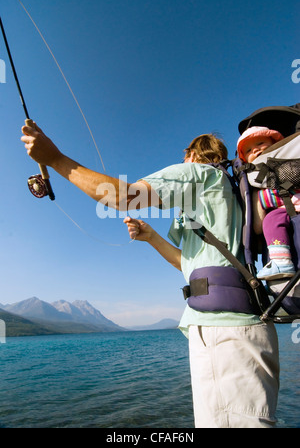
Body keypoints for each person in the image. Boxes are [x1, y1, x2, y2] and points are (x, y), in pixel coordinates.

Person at [21, 124, 280, 428]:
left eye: (185, 157)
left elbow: (120, 196)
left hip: (226, 334)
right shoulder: (225, 194)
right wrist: (152, 237)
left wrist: (54, 158)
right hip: (235, 328)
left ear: (193, 155)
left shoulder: (198, 174)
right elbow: (191, 266)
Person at [237, 126, 300, 281]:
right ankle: (280, 261)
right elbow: (258, 227)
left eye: (260, 143)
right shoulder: (257, 188)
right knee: (271, 219)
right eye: (249, 150)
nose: (256, 150)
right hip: (282, 212)